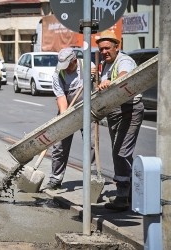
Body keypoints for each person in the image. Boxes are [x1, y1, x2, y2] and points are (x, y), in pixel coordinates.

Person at [96, 30, 144, 211]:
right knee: (120, 151)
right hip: (114, 111)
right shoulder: (105, 63)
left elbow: (124, 74)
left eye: (108, 48)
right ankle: (132, 192)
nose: (104, 52)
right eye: (101, 49)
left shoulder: (124, 60)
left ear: (117, 47)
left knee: (121, 152)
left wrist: (111, 81)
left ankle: (122, 196)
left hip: (129, 110)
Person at [45, 48, 97, 190]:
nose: (65, 69)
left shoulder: (88, 66)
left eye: (68, 66)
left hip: (88, 111)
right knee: (59, 145)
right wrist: (65, 119)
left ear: (74, 61)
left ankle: (92, 179)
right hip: (67, 110)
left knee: (92, 143)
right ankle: (55, 178)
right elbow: (61, 100)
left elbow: (98, 87)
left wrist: (95, 75)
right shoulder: (58, 73)